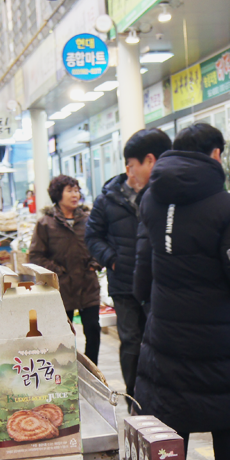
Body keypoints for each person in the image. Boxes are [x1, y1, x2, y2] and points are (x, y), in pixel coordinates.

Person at [134, 123, 230, 460]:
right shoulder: (226, 206)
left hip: (167, 325)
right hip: (214, 327)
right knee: (221, 409)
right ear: (217, 155)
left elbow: (142, 272)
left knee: (173, 411)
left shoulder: (151, 200)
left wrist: (155, 307)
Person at [85, 129, 172, 406]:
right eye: (131, 165)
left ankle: (157, 393)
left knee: (157, 339)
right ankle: (134, 397)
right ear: (128, 167)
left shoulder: (159, 193)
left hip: (155, 280)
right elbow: (92, 236)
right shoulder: (107, 198)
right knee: (131, 341)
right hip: (123, 283)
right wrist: (112, 258)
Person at [28, 175, 101, 364]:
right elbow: (35, 256)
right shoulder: (46, 223)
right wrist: (57, 271)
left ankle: (93, 372)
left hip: (88, 285)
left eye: (76, 190)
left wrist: (95, 262)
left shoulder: (89, 220)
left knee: (93, 328)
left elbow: (99, 244)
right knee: (62, 336)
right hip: (61, 289)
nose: (75, 195)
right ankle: (65, 371)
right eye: (69, 190)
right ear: (58, 194)